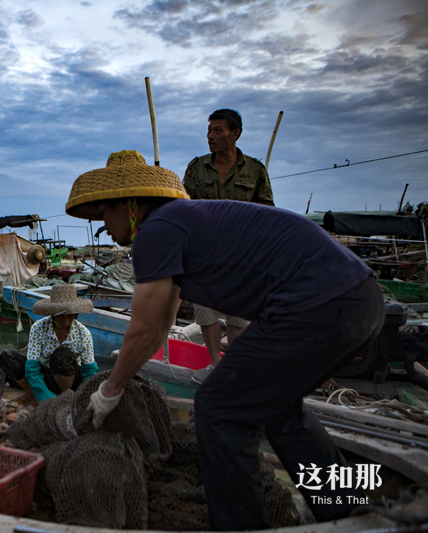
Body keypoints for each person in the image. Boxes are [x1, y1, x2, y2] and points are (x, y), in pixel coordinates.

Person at [68, 150, 383, 531]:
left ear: (128, 205)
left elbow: (143, 329)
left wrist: (110, 389)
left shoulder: (156, 231)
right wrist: (120, 382)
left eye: (104, 214)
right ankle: (346, 508)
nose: (106, 226)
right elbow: (160, 328)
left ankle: (241, 525)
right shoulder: (179, 223)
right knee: (280, 409)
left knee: (218, 408)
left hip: (316, 303)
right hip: (359, 298)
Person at [182, 109, 275, 382]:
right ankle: (214, 362)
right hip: (206, 250)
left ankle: (233, 365)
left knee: (239, 314)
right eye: (209, 131)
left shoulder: (255, 170)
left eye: (218, 131)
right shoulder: (197, 167)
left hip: (243, 253)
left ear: (235, 134)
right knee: (204, 308)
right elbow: (187, 205)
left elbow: (266, 210)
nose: (211, 136)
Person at [0, 284, 99, 403]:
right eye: (61, 316)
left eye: (70, 316)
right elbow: (32, 366)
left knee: (61, 354)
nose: (66, 321)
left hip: (70, 379)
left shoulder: (83, 333)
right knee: (6, 356)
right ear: (53, 314)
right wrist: (44, 395)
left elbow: (90, 370)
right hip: (46, 376)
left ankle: (65, 396)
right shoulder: (39, 328)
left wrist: (85, 396)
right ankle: (31, 393)